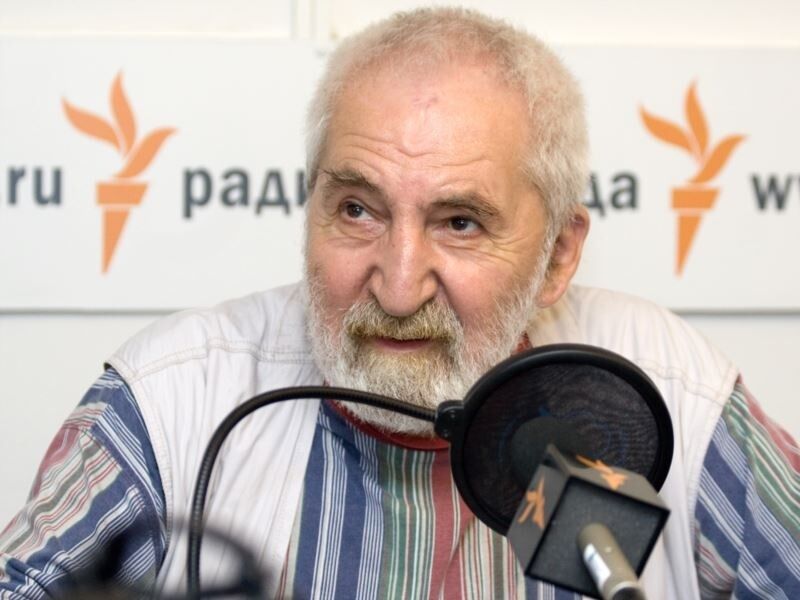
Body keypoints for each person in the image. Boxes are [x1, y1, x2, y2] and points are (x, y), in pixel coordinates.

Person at [1, 7, 798, 599]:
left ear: (558, 256)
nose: (398, 285)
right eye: (357, 210)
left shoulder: (667, 388)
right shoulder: (174, 394)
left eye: (459, 222)